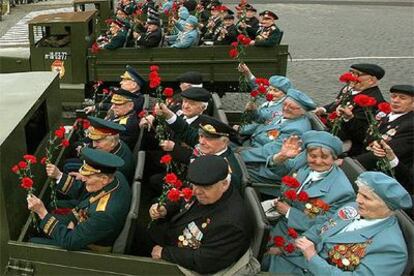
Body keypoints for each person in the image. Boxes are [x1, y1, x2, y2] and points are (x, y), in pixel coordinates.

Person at [271, 171, 412, 275]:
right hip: (295, 261)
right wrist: (285, 248)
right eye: (359, 193)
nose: (357, 200)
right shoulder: (353, 208)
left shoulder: (391, 248)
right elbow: (320, 228)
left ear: (387, 206)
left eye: (366, 198)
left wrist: (313, 258)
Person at [141, 155, 252, 274]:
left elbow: (206, 261)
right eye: (194, 185)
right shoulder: (203, 183)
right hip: (172, 232)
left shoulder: (230, 223)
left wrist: (165, 253)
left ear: (224, 184)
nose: (196, 192)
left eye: (206, 187)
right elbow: (184, 197)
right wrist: (166, 208)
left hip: (182, 258)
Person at [263, 131, 356, 271]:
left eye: (325, 157)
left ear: (334, 159)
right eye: (313, 156)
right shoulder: (305, 165)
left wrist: (289, 213)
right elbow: (281, 169)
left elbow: (325, 227)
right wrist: (281, 156)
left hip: (299, 243)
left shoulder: (342, 192)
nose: (318, 161)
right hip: (277, 222)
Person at [27, 148, 131, 252]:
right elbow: (86, 194)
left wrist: (42, 212)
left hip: (89, 247)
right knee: (43, 223)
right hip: (84, 222)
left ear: (103, 179)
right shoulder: (115, 177)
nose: (83, 178)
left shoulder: (103, 214)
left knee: (32, 243)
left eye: (88, 177)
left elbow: (69, 241)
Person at [240, 89, 315, 185]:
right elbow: (265, 121)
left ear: (303, 112)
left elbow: (270, 152)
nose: (286, 108)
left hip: (264, 166)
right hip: (253, 147)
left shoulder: (296, 130)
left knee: (230, 166)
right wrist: (253, 111)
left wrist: (239, 154)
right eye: (285, 104)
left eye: (292, 107)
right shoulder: (288, 116)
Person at [315, 64, 386, 156]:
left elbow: (360, 132)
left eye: (357, 74)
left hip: (346, 142)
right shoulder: (350, 88)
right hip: (329, 129)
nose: (352, 77)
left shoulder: (372, 100)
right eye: (351, 72)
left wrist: (349, 118)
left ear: (371, 80)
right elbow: (336, 103)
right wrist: (323, 109)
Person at [355, 84, 413, 173]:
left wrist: (353, 163)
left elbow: (384, 153)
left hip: (386, 173)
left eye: (402, 98)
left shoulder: (410, 125)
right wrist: (349, 119)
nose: (395, 100)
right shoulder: (383, 116)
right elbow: (363, 137)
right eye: (393, 96)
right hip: (363, 162)